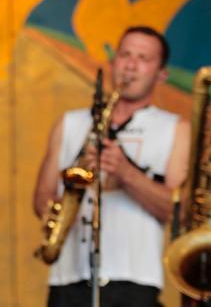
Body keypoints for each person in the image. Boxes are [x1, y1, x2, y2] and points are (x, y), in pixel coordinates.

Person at [33, 26, 190, 307]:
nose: (131, 65)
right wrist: (61, 208)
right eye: (125, 54)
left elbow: (178, 213)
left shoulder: (174, 128)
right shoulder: (69, 123)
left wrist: (127, 174)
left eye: (143, 58)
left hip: (134, 281)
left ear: (161, 75)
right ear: (113, 62)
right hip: (67, 279)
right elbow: (41, 198)